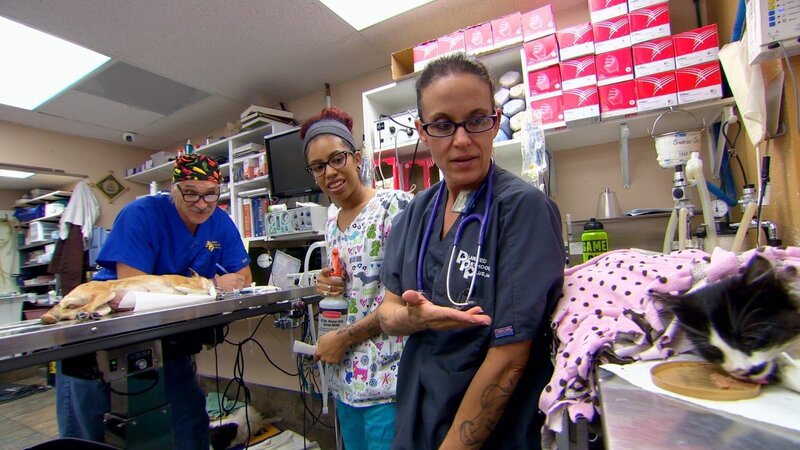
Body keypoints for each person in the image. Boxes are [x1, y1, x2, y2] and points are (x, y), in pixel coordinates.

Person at [377, 52, 566, 449]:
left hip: (491, 431)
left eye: (477, 120)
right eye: (443, 125)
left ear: (495, 122)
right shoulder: (415, 213)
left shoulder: (523, 210)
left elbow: (510, 358)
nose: (462, 140)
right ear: (422, 132)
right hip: (418, 413)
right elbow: (388, 315)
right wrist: (416, 320)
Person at [56, 153, 252, 449]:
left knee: (188, 419)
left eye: (211, 194)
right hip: (103, 327)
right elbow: (135, 285)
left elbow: (244, 274)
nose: (202, 203)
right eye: (191, 193)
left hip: (166, 333)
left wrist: (223, 283)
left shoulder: (219, 221)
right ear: (174, 189)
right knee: (90, 429)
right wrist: (207, 285)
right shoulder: (141, 213)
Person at [301, 107, 412, 450]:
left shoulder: (395, 207)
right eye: (318, 167)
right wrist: (328, 281)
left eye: (337, 159)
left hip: (387, 380)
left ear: (357, 158)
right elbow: (351, 284)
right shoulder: (332, 221)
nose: (329, 172)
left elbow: (406, 300)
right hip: (344, 378)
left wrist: (343, 339)